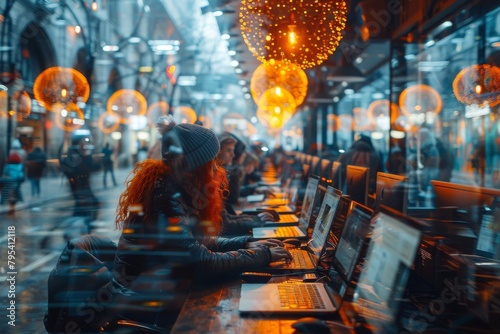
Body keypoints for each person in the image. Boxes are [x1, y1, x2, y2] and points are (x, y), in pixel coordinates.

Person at [111, 116, 291, 328]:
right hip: (150, 307)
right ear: (194, 166)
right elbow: (200, 263)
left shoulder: (175, 189)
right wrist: (260, 255)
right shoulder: (163, 199)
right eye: (211, 162)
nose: (216, 168)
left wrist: (245, 243)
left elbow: (197, 244)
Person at [59, 134, 99, 233]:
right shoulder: (75, 156)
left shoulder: (81, 155)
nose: (84, 145)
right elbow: (71, 171)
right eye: (82, 143)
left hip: (82, 187)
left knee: (86, 207)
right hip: (79, 187)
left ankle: (85, 228)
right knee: (84, 208)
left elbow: (90, 168)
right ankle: (77, 228)